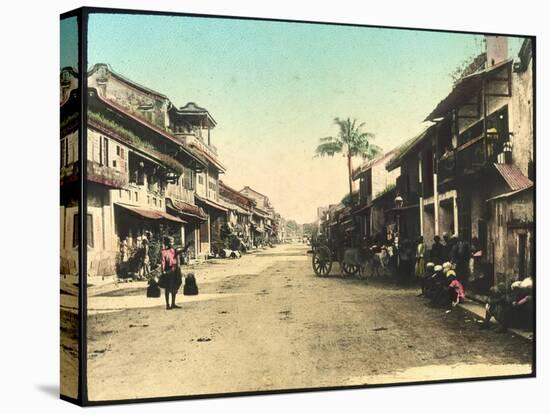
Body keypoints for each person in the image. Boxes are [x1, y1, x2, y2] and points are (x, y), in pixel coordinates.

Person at [160, 236, 182, 310]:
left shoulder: (174, 250)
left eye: (172, 241)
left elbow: (182, 251)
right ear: (166, 243)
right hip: (168, 271)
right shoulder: (163, 252)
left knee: (174, 287)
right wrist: (163, 271)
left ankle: (173, 303)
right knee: (167, 288)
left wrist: (187, 246)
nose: (171, 243)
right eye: (170, 242)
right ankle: (167, 304)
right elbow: (162, 262)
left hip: (175, 270)